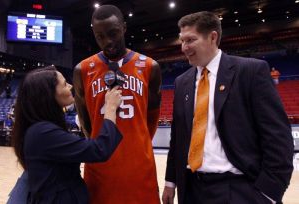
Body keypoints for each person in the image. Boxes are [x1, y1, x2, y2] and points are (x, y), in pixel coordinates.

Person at [162, 11, 294, 204]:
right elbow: (178, 137)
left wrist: (269, 193)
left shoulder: (250, 71)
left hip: (239, 189)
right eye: (182, 41)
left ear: (213, 37)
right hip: (192, 189)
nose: (184, 47)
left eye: (190, 40)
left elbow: (278, 138)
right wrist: (171, 181)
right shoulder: (182, 82)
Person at [73, 5, 161, 204]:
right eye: (100, 36)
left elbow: (152, 119)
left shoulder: (150, 67)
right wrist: (98, 145)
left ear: (124, 27)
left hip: (139, 165)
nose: (108, 41)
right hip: (99, 167)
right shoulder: (83, 70)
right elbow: (86, 122)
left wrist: (138, 143)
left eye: (112, 33)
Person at [12, 66, 123, 203]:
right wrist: (111, 108)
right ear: (49, 95)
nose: (70, 86)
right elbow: (99, 150)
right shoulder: (42, 133)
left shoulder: (40, 129)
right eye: (64, 84)